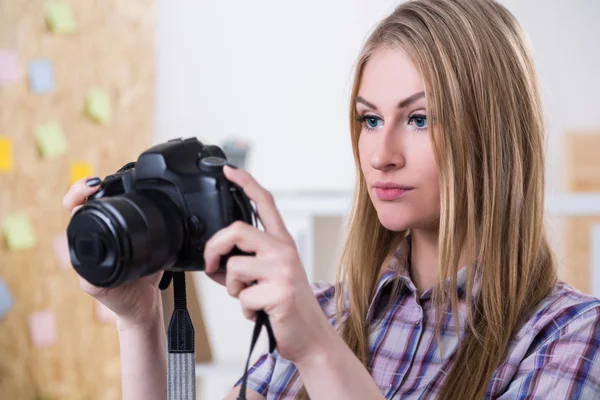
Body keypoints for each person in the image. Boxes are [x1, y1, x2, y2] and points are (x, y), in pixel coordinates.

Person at [63, 0, 600, 399]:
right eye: (370, 119)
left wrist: (319, 353)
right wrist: (139, 323)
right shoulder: (321, 313)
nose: (381, 154)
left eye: (418, 118)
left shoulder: (569, 338)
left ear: (496, 135)